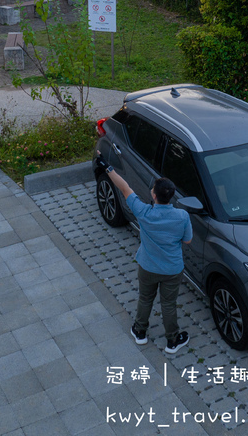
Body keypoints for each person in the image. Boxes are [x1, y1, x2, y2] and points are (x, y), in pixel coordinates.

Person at [95, 152, 193, 354]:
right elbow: (187, 240)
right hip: (172, 269)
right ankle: (172, 341)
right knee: (168, 304)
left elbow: (124, 187)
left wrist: (107, 166)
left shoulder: (143, 212)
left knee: (145, 298)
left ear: (154, 195)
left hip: (147, 266)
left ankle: (140, 332)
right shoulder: (182, 216)